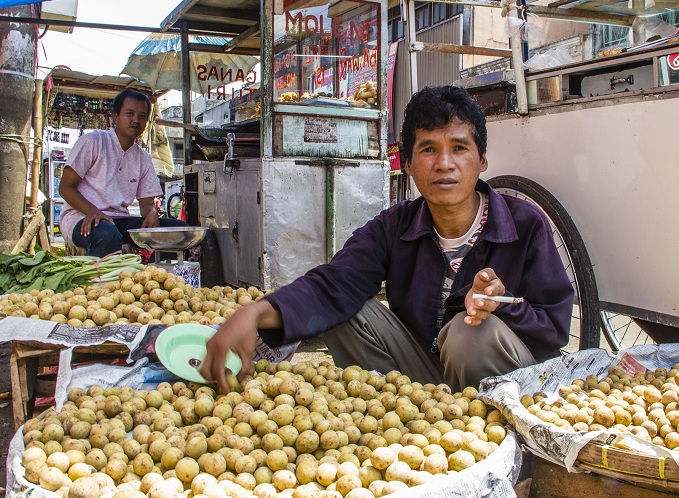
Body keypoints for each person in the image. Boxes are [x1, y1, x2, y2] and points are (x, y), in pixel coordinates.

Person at [200, 85, 574, 393]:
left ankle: (494, 438)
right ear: (407, 164)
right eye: (428, 149)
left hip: (506, 386)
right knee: (346, 309)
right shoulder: (395, 226)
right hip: (424, 380)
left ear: (482, 160)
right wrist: (254, 313)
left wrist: (500, 305)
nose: (444, 163)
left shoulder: (524, 225)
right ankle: (408, 418)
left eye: (459, 148)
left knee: (468, 334)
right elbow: (334, 284)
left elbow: (555, 326)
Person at [59, 89, 187, 258]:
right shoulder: (94, 141)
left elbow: (146, 204)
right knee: (106, 234)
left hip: (119, 220)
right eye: (130, 114)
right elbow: (66, 187)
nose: (136, 120)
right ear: (116, 116)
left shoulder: (143, 157)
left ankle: (150, 277)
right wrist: (92, 210)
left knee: (176, 230)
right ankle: (100, 284)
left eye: (142, 116)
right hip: (81, 217)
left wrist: (152, 213)